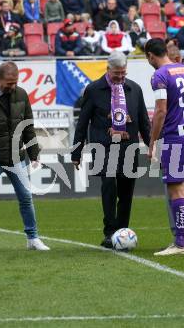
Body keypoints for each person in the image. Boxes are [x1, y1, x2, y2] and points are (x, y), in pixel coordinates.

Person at [72, 51, 151, 248]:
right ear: (108, 69)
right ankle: (109, 232)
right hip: (103, 147)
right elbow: (82, 122)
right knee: (109, 187)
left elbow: (144, 122)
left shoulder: (135, 89)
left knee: (126, 191)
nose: (120, 77)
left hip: (128, 147)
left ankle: (122, 231)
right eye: (117, 74)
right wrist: (76, 151)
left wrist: (152, 146)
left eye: (123, 73)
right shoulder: (93, 89)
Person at [0, 62, 49, 253]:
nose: (12, 86)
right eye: (9, 83)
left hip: (17, 156)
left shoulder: (21, 94)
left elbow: (28, 126)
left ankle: (33, 238)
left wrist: (33, 154)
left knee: (26, 198)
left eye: (15, 82)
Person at [144, 38, 184, 256]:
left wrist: (152, 142)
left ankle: (181, 243)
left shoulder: (160, 75)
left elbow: (160, 111)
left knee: (175, 188)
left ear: (151, 56)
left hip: (175, 136)